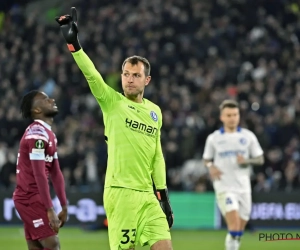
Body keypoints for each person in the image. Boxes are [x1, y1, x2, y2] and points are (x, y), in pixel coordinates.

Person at [55, 7, 173, 250]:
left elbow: (157, 155)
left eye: (136, 75)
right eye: (126, 74)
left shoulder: (155, 112)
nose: (129, 79)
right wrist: (74, 45)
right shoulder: (112, 102)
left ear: (146, 80)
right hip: (121, 194)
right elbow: (92, 75)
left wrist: (163, 195)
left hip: (148, 197)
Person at [203, 100, 264, 250]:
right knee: (235, 224)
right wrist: (210, 166)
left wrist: (247, 160)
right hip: (224, 186)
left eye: (235, 114)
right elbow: (206, 159)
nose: (232, 118)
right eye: (228, 115)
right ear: (222, 117)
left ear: (239, 116)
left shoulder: (248, 136)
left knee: (238, 231)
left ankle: (232, 246)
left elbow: (260, 158)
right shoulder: (214, 138)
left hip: (243, 187)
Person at [13, 90, 68, 250]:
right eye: (45, 100)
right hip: (29, 198)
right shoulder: (36, 134)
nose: (52, 100)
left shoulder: (48, 134)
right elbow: (38, 174)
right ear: (37, 110)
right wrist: (50, 209)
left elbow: (56, 173)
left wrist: (64, 206)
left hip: (34, 198)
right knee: (52, 244)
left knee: (36, 247)